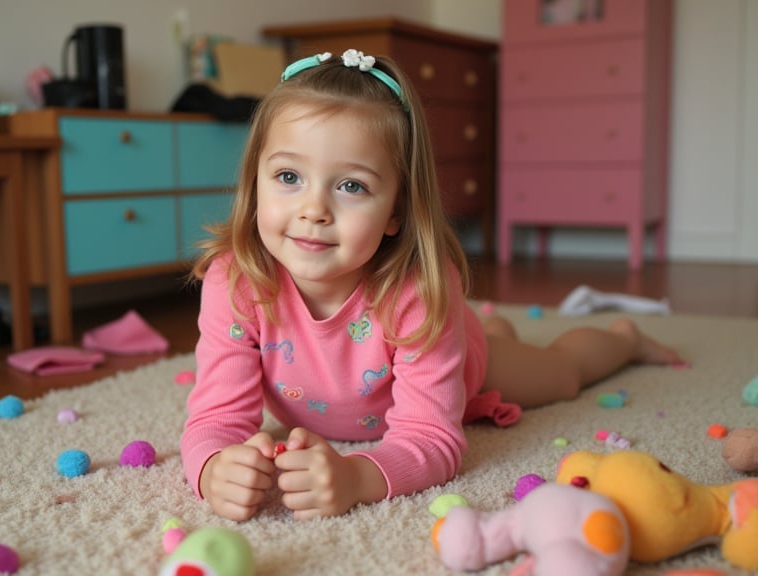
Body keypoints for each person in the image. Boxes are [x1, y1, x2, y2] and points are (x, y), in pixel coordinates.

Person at [181, 49, 682, 523]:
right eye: (288, 176)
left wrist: (357, 477)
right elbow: (215, 421)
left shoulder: (418, 290)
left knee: (562, 374)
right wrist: (213, 468)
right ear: (254, 184)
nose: (314, 210)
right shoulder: (235, 279)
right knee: (477, 334)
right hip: (437, 337)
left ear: (396, 210)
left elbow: (432, 438)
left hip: (459, 360)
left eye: (351, 186)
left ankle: (624, 337)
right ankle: (487, 326)